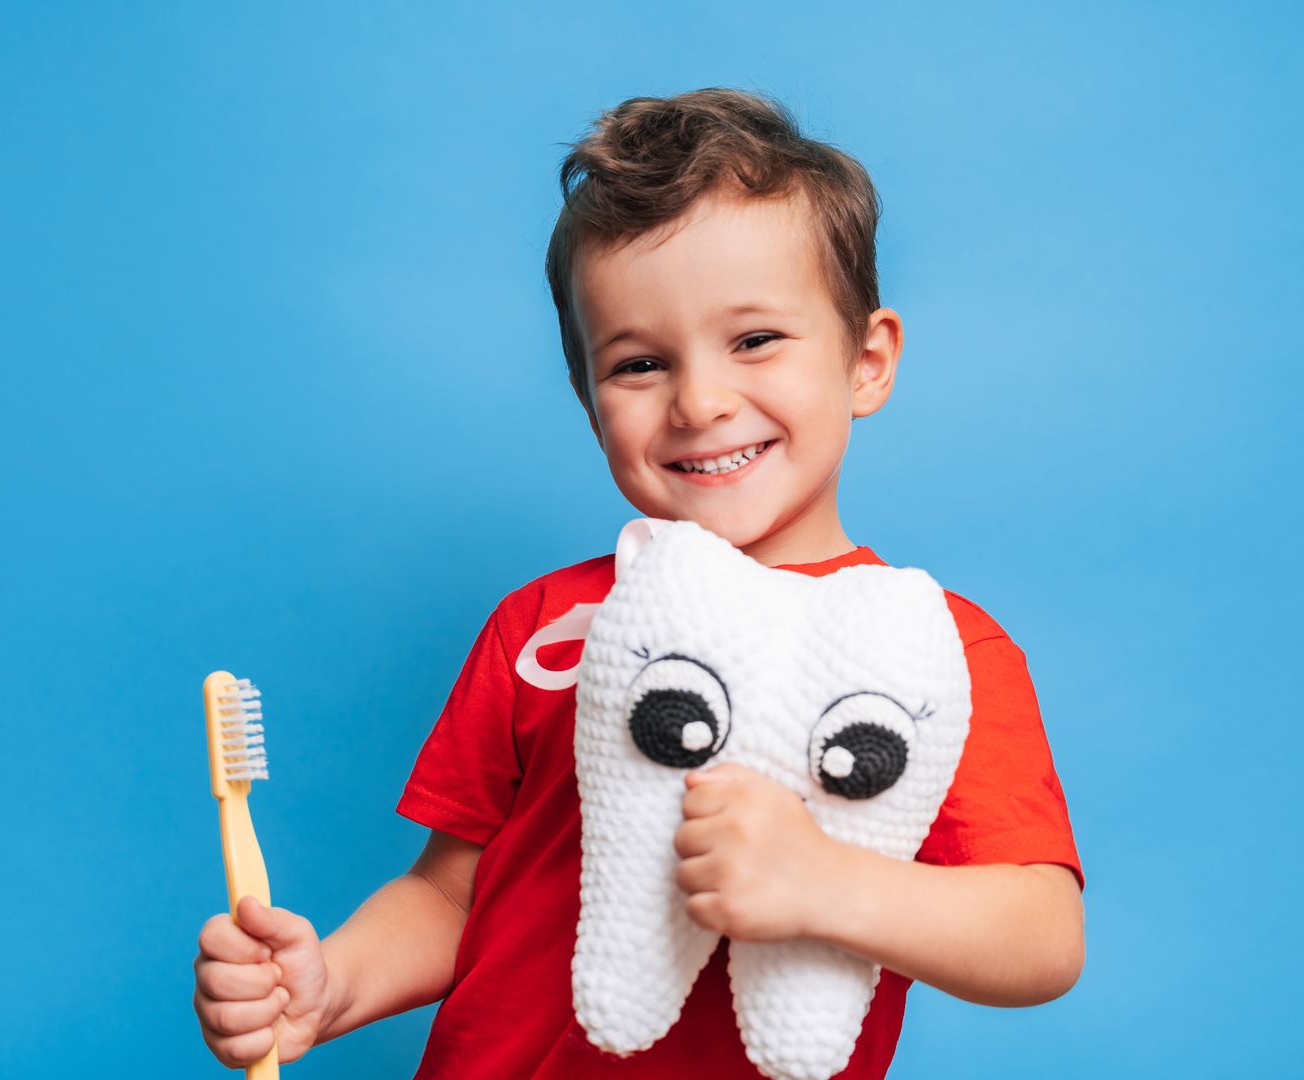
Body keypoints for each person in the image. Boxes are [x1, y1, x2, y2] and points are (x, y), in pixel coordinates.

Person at [191, 87, 1085, 1078]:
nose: (700, 401)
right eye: (640, 363)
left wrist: (827, 884)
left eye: (755, 340)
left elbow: (1041, 936)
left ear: (866, 362)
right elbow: (451, 897)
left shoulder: (933, 650)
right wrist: (330, 984)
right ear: (586, 400)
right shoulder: (547, 628)